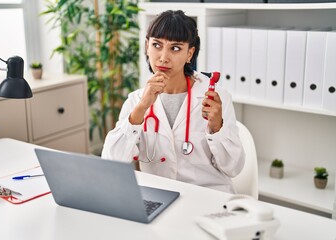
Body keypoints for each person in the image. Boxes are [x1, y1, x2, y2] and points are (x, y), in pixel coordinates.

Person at [101, 10, 245, 193]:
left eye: (175, 48)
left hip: (208, 197)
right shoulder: (136, 101)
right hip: (159, 196)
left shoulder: (216, 98)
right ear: (147, 46)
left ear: (189, 54)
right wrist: (141, 108)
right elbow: (111, 162)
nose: (163, 57)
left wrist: (217, 127)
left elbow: (233, 168)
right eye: (157, 45)